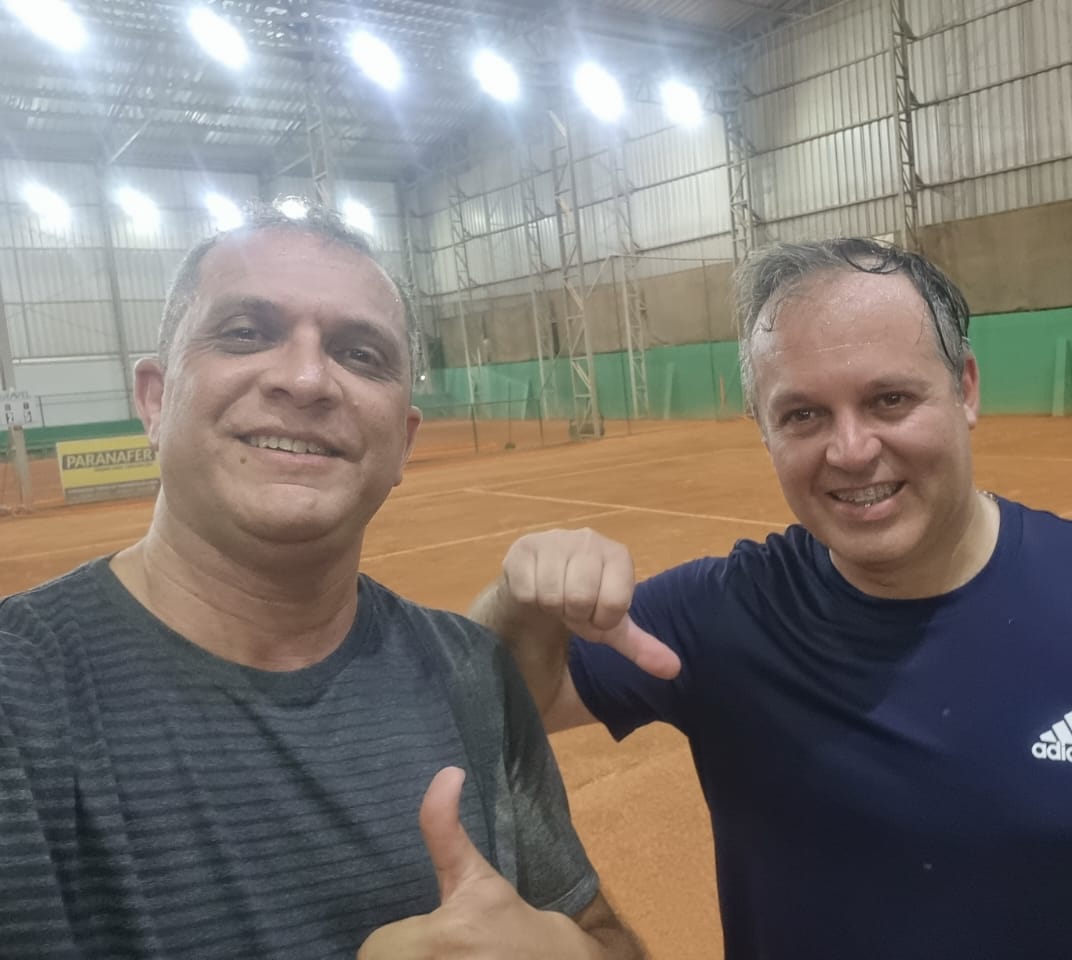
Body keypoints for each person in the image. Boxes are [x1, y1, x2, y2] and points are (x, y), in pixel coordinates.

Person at [470, 237, 1072, 959]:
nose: (851, 450)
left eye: (890, 399)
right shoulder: (719, 617)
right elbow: (485, 702)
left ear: (965, 389)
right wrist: (518, 602)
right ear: (763, 429)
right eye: (803, 415)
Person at [0, 202, 644, 960]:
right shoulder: (19, 699)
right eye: (247, 332)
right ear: (155, 398)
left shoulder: (473, 673)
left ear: (403, 442)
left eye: (360, 354)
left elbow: (599, 935)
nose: (306, 379)